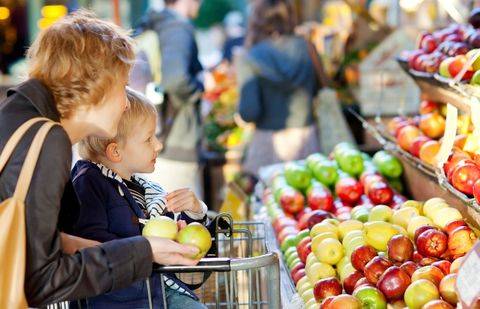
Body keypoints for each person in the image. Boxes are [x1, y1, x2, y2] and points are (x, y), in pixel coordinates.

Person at [0, 11, 199, 307]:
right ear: (95, 85)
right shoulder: (47, 140)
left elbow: (38, 242)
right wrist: (143, 251)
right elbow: (42, 278)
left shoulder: (19, 116)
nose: (126, 102)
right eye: (122, 85)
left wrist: (141, 250)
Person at [72, 88, 208, 308]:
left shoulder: (146, 190)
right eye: (148, 139)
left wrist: (195, 214)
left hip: (157, 296)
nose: (159, 144)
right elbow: (92, 251)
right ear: (115, 152)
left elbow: (190, 269)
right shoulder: (88, 184)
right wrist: (147, 249)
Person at [237, 0, 328, 176]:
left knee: (268, 199)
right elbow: (318, 89)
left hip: (268, 144)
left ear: (257, 19)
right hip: (306, 140)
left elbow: (249, 112)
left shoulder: (251, 56)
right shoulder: (307, 47)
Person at [138, 0, 205, 198]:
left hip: (159, 137)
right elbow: (176, 79)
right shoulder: (177, 28)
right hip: (176, 141)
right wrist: (198, 89)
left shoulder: (156, 23)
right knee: (184, 219)